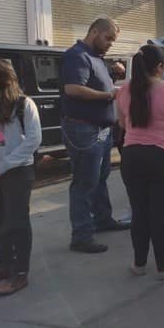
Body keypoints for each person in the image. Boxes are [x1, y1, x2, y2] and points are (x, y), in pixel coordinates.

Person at [117, 45, 164, 280]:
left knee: (139, 212)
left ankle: (139, 264)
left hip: (132, 156)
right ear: (160, 67)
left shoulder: (124, 90)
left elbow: (122, 124)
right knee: (159, 213)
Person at [61, 18, 129, 254]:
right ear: (94, 31)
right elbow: (73, 89)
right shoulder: (77, 55)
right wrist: (110, 95)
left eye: (113, 40)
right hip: (83, 129)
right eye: (108, 38)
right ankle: (81, 236)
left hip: (101, 130)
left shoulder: (96, 58)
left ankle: (102, 219)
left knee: (99, 179)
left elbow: (95, 84)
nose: (110, 43)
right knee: (84, 183)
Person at [0, 59, 42, 296]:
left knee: (17, 221)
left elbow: (34, 140)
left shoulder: (24, 104)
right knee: (0, 221)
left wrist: (4, 165)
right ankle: (5, 264)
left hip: (17, 172)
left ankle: (20, 273)